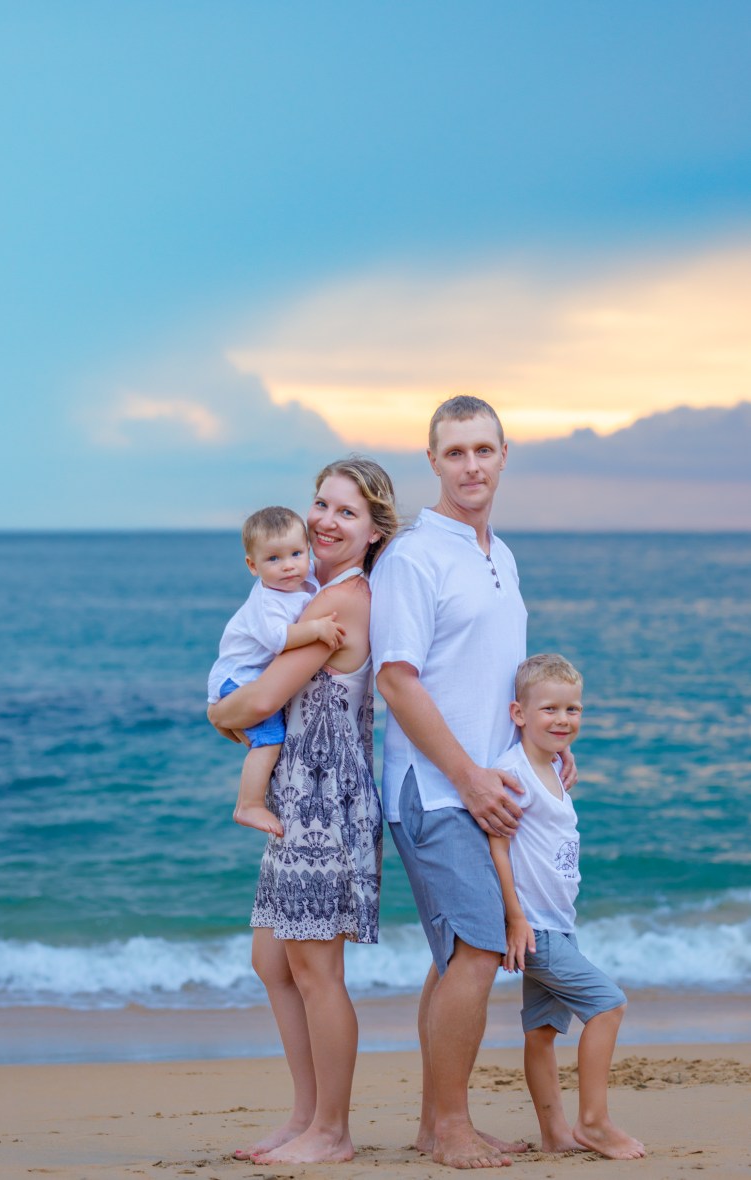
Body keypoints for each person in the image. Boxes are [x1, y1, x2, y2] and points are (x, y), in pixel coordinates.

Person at [370, 394, 575, 1170]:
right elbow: (396, 681)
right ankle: (452, 1130)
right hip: (433, 789)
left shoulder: (501, 555)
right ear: (432, 461)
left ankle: (436, 1124)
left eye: (482, 450)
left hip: (490, 787)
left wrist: (539, 748)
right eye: (454, 452)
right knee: (481, 950)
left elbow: (494, 678)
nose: (470, 466)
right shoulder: (414, 557)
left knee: (455, 955)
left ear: (503, 455)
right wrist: (466, 777)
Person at [208, 457, 397, 1165]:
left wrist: (214, 711)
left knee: (317, 973)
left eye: (347, 512)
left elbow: (258, 700)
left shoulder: (345, 600)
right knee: (273, 962)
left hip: (326, 804)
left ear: (374, 532)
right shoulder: (305, 593)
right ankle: (304, 1116)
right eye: (321, 503)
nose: (325, 520)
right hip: (296, 796)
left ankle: (333, 1131)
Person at [489, 654, 644, 1160]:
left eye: (572, 709)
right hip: (535, 928)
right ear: (518, 714)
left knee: (541, 1032)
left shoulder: (554, 765)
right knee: (608, 1005)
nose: (562, 719)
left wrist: (560, 751)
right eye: (550, 709)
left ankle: (555, 1135)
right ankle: (593, 1122)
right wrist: (515, 918)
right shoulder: (513, 773)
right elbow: (497, 847)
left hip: (559, 923)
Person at [207, 505, 344, 837]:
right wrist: (316, 629)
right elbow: (278, 640)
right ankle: (248, 804)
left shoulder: (304, 578)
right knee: (269, 740)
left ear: (308, 550)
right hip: (239, 677)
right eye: (273, 559)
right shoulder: (268, 601)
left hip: (248, 675)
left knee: (262, 735)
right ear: (253, 566)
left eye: (296, 553)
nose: (288, 565)